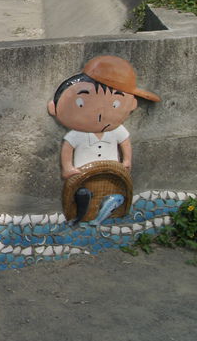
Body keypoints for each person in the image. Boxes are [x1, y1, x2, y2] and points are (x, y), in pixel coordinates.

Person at [47, 55, 159, 223]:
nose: (99, 113)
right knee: (83, 193)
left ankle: (104, 213)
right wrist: (68, 168)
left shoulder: (117, 130)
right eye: (81, 103)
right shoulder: (76, 134)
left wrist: (127, 160)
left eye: (114, 104)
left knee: (112, 194)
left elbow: (125, 142)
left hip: (112, 173)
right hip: (82, 174)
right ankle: (83, 214)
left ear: (132, 105)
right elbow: (68, 148)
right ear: (54, 108)